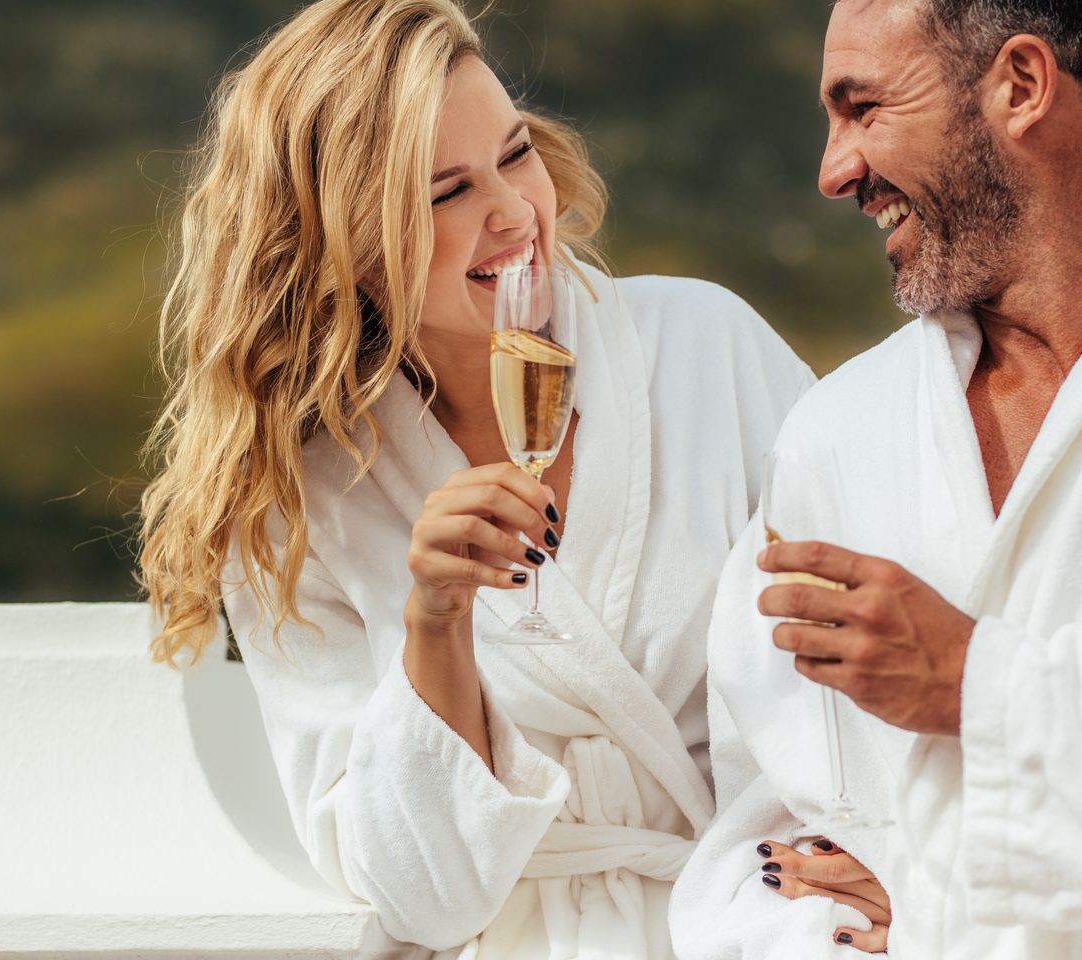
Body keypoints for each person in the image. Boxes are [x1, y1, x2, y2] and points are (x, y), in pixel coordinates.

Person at [138, 0, 813, 955]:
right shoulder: (303, 505)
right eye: (446, 191)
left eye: (515, 153)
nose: (514, 212)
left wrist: (878, 846)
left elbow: (865, 648)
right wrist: (436, 621)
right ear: (345, 244)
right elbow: (420, 893)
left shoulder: (709, 348)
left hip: (757, 922)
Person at [669, 0, 1082, 956]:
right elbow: (758, 843)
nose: (833, 172)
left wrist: (973, 682)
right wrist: (831, 927)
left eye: (864, 109)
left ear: (1021, 85)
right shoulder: (839, 436)